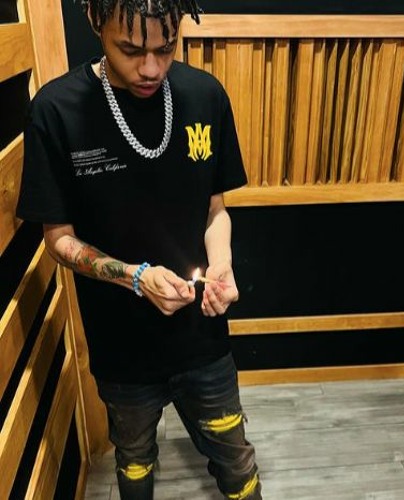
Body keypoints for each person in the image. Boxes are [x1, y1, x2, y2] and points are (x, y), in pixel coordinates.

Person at [16, 0, 261, 498]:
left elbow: (215, 211)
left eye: (165, 48)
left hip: (202, 339)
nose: (151, 68)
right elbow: (58, 238)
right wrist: (133, 275)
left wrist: (222, 262)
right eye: (130, 50)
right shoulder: (57, 110)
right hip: (121, 348)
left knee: (236, 459)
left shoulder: (204, 96)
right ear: (94, 21)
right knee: (134, 463)